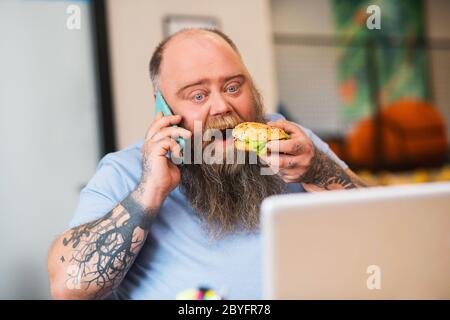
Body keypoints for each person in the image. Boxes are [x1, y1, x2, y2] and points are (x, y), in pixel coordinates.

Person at [47, 28, 367, 300]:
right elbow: (69, 286)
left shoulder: (294, 144)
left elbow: (385, 225)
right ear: (162, 106)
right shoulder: (125, 170)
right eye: (198, 95)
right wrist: (150, 190)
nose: (221, 106)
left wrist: (319, 170)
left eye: (232, 87)